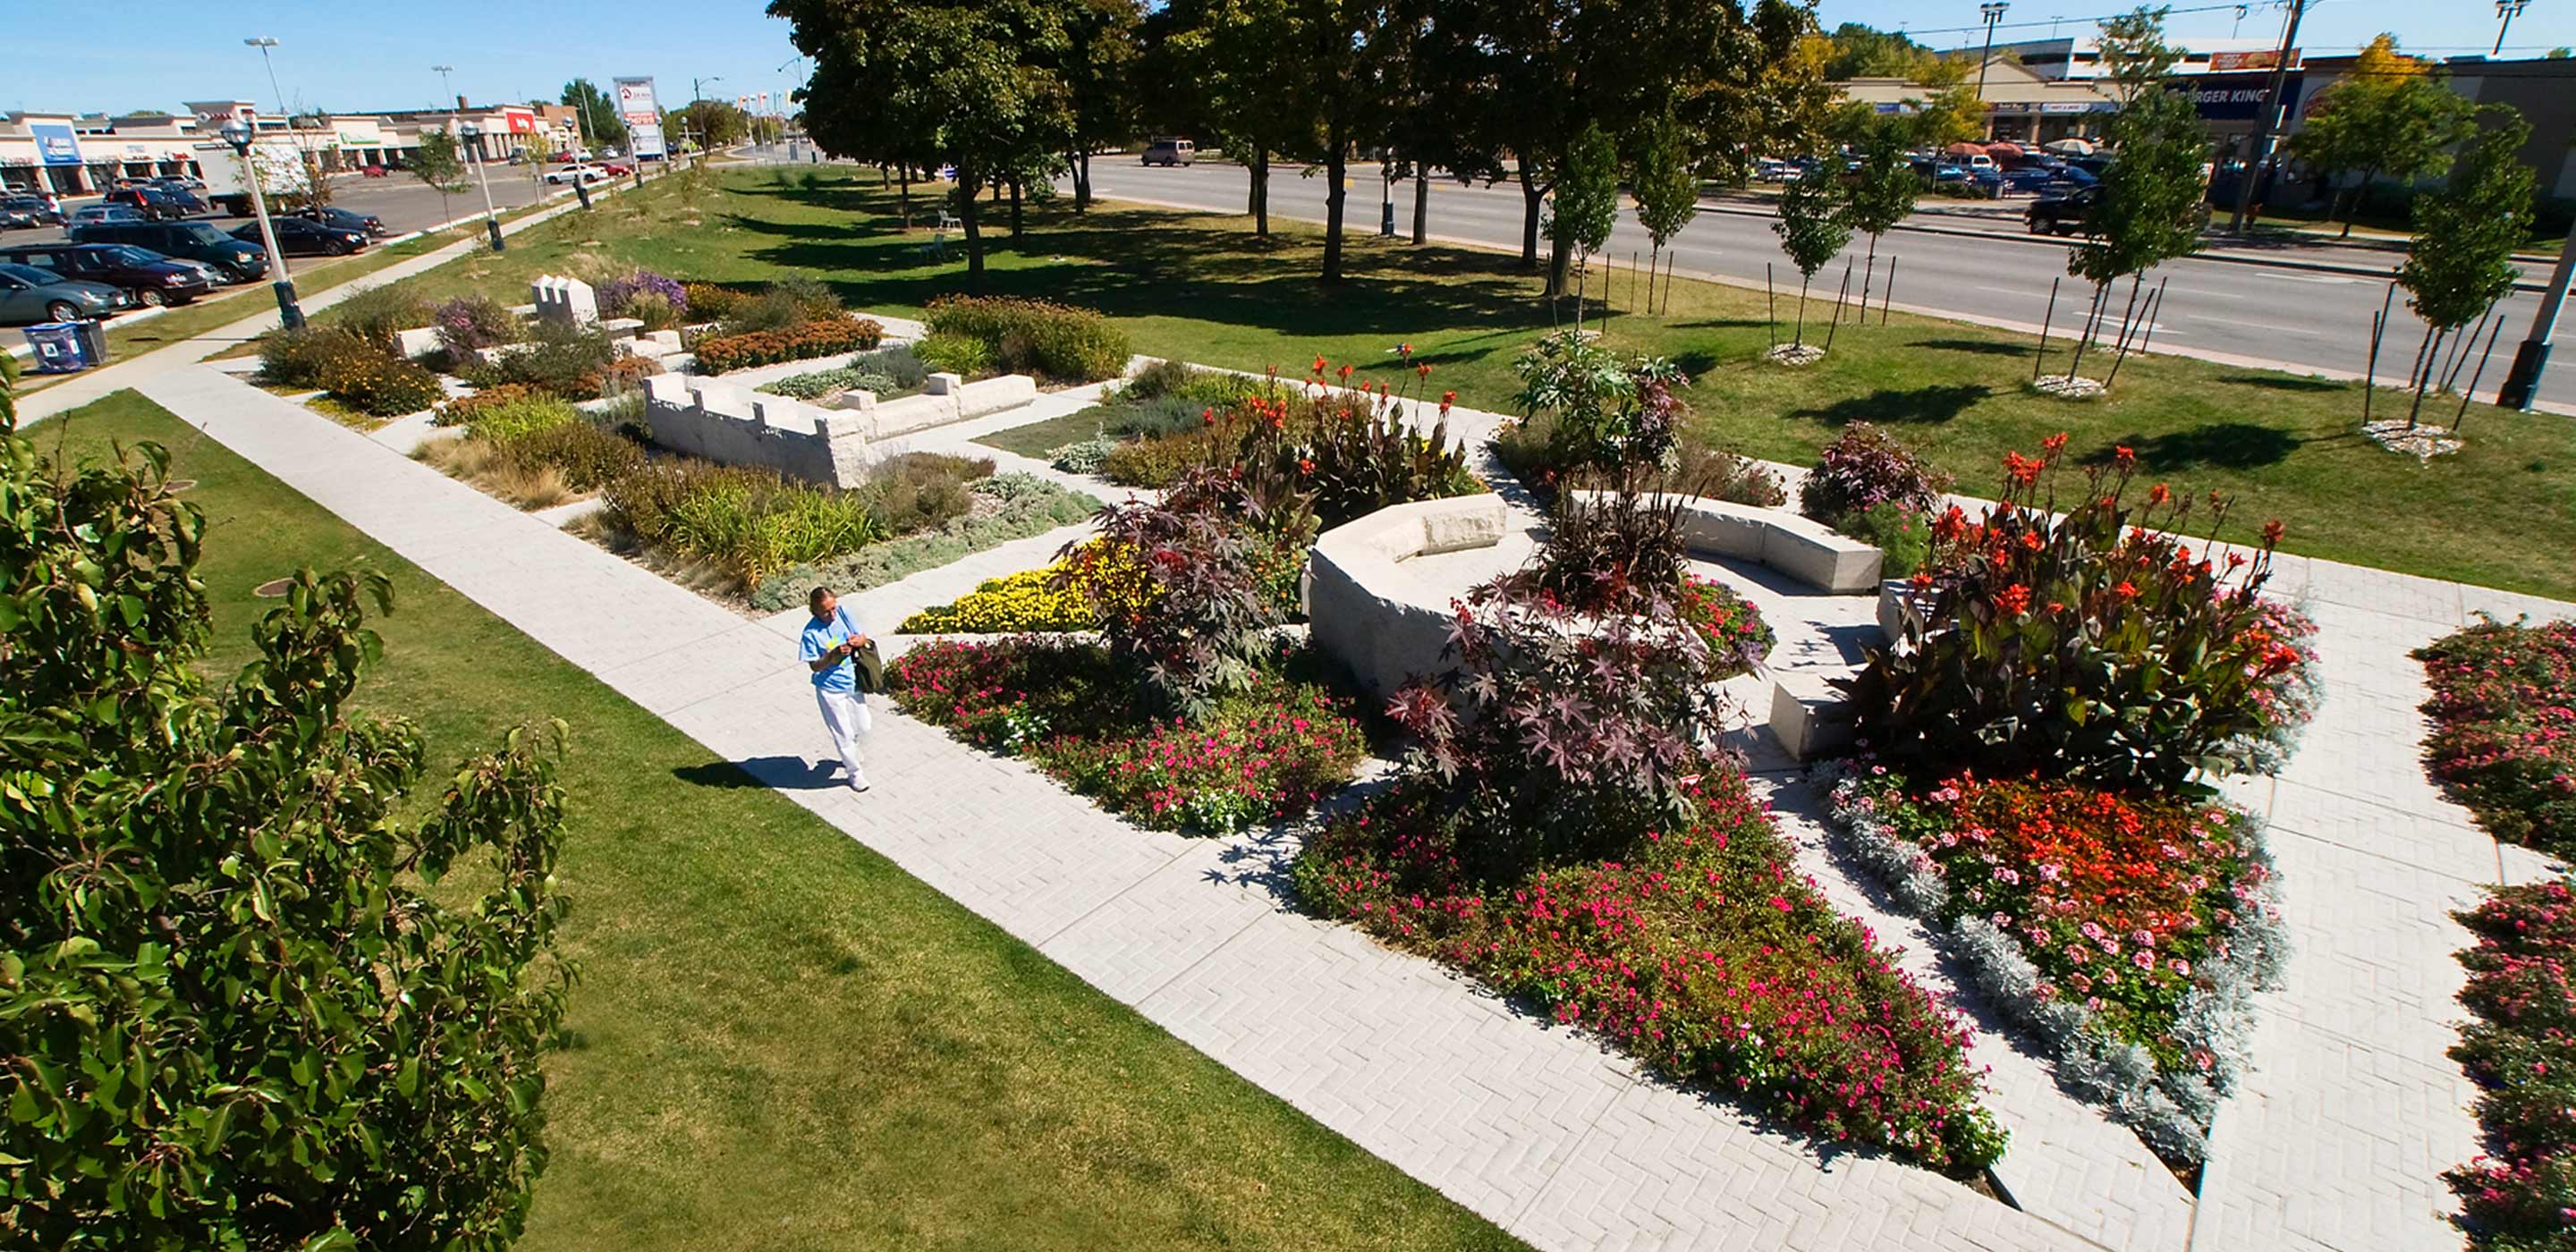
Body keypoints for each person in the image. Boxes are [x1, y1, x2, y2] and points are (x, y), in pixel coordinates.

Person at [800, 586, 872, 792]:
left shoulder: (843, 614)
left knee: (864, 726)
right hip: (830, 689)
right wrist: (832, 656)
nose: (832, 614)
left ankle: (853, 752)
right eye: (826, 611)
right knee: (843, 733)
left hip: (852, 682)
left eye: (833, 608)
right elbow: (814, 666)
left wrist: (860, 640)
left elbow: (862, 636)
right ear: (814, 611)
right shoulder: (811, 633)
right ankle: (855, 773)